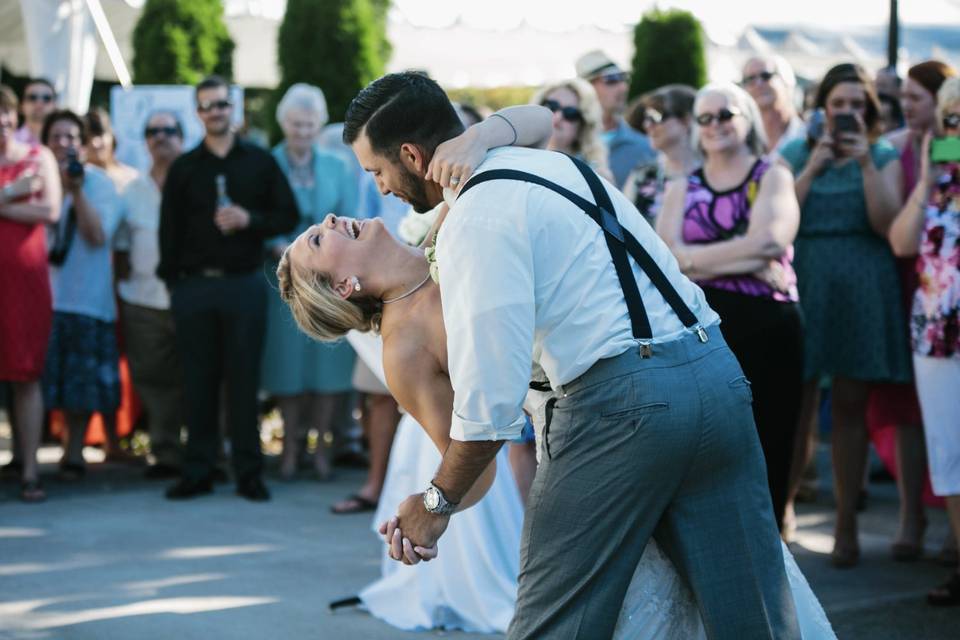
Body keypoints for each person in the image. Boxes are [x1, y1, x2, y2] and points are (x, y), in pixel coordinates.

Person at [276, 97, 832, 638]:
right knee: (754, 613)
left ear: (413, 157)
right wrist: (433, 501)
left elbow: (537, 117)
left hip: (623, 411)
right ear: (344, 287)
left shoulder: (462, 219)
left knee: (555, 623)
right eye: (318, 238)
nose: (368, 193)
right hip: (716, 374)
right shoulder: (539, 168)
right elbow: (479, 437)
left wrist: (432, 507)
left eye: (378, 169)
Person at [657, 83, 803, 531]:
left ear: (747, 120)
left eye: (726, 114)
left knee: (771, 440)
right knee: (709, 444)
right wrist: (744, 258)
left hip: (768, 326)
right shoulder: (683, 185)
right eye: (705, 118)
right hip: (702, 329)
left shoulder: (772, 173)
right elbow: (663, 256)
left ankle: (772, 541)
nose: (716, 124)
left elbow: (772, 241)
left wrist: (692, 259)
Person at [779, 63, 908, 567]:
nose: (848, 114)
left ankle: (845, 525)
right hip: (807, 276)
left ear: (869, 109)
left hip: (862, 280)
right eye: (839, 106)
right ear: (822, 108)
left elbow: (886, 224)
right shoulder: (795, 153)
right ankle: (782, 508)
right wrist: (815, 164)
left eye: (858, 105)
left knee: (851, 407)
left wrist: (864, 167)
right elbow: (781, 219)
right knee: (798, 405)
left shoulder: (882, 155)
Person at [157, 75, 298, 502]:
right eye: (207, 105)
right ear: (197, 113)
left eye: (221, 104)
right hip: (195, 288)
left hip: (243, 286)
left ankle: (248, 473)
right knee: (196, 382)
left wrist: (249, 220)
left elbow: (286, 213)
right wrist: (176, 288)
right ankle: (197, 470)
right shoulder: (184, 168)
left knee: (243, 383)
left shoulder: (258, 161)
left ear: (232, 108)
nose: (215, 111)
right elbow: (169, 232)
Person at [879, 60, 958, 562]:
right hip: (936, 329)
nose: (955, 129)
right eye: (950, 119)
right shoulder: (939, 182)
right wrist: (929, 178)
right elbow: (901, 242)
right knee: (949, 451)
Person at [260, 83, 359, 483]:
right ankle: (290, 448)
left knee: (328, 364)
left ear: (319, 125)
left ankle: (322, 448)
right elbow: (258, 216)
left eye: (309, 124)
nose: (302, 131)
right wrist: (278, 247)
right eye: (295, 124)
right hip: (281, 278)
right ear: (284, 123)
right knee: (286, 366)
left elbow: (351, 218)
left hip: (327, 280)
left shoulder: (338, 165)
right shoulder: (268, 163)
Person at [40, 110, 124, 479]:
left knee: (79, 383)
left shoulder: (100, 184)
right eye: (56, 136)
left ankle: (73, 451)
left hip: (86, 299)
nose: (64, 144)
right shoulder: (34, 179)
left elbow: (97, 235)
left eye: (72, 137)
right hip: (41, 296)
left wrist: (74, 191)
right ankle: (30, 452)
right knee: (37, 380)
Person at [0, 85, 61, 501]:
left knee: (26, 374)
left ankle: (30, 472)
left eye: (4, 114)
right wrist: (8, 194)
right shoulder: (17, 177)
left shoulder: (40, 158)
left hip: (25, 283)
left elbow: (50, 211)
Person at [117, 111, 185, 479]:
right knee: (153, 379)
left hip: (190, 298)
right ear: (144, 140)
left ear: (182, 136)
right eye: (152, 131)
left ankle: (206, 452)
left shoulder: (196, 184)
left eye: (169, 130)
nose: (161, 137)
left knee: (202, 377)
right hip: (143, 299)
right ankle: (165, 453)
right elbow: (121, 246)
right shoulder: (131, 189)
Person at [575, 50, 655, 189]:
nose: (623, 87)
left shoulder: (646, 148)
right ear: (586, 88)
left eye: (624, 78)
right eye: (611, 79)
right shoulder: (565, 145)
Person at [622, 84, 699, 224]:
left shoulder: (712, 174)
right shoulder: (642, 176)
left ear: (686, 120)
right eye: (646, 118)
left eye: (655, 117)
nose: (647, 125)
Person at [530, 78, 611, 178]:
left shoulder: (594, 176)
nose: (558, 117)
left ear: (583, 126)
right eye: (551, 106)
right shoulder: (517, 157)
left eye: (570, 112)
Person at [741, 55, 806, 155]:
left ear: (788, 82)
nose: (758, 84)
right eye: (751, 79)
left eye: (766, 76)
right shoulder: (741, 144)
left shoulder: (807, 136)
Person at [15, 79, 56, 146]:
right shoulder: (9, 141)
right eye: (32, 97)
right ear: (21, 106)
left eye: (46, 98)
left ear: (55, 106)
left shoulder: (63, 144)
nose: (39, 103)